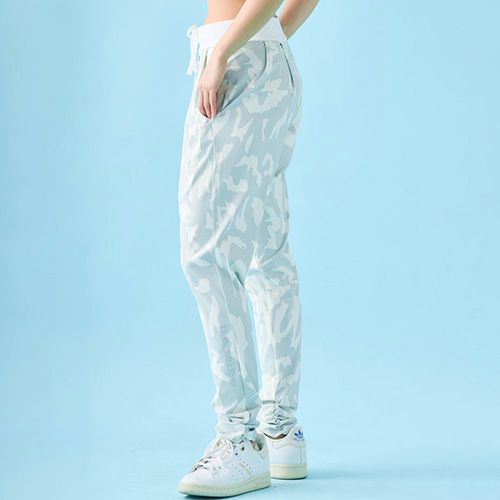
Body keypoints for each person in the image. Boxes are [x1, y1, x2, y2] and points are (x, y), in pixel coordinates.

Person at [177, 0, 319, 496]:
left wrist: (224, 52)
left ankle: (239, 440)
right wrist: (266, 40)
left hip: (238, 58)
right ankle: (279, 430)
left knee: (207, 254)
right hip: (265, 58)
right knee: (265, 253)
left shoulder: (230, 52)